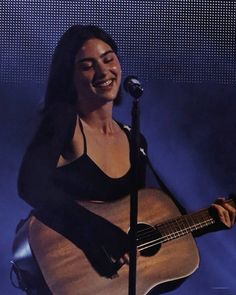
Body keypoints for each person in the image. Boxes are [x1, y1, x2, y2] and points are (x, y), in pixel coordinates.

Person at [15, 25, 235, 294]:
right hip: (68, 271)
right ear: (69, 77)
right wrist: (102, 236)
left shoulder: (134, 140)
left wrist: (211, 219)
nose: (103, 71)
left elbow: (147, 228)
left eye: (108, 59)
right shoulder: (64, 120)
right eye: (87, 66)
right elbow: (30, 185)